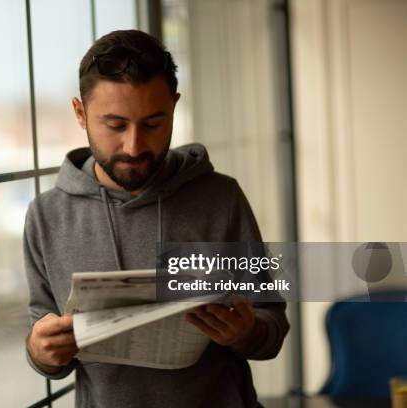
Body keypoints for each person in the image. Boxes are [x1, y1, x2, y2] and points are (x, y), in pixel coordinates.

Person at [23, 29, 289, 408]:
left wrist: (245, 332)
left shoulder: (221, 198)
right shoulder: (45, 217)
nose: (134, 146)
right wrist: (40, 351)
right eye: (115, 125)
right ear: (80, 114)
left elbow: (273, 330)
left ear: (174, 107)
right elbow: (46, 351)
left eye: (152, 124)